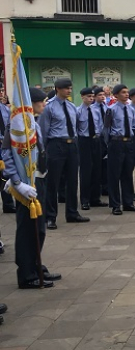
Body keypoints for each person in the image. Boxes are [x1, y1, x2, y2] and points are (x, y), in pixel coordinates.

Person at [2, 87, 62, 288]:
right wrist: (16, 182)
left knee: (39, 228)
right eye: (42, 101)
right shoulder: (17, 125)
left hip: (38, 180)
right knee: (28, 229)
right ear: (31, 103)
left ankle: (36, 267)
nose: (45, 104)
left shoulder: (32, 122)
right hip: (26, 184)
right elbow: (7, 154)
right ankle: (26, 275)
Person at [39, 78, 88, 230]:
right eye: (65, 88)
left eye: (69, 88)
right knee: (52, 183)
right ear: (57, 89)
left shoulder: (72, 106)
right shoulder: (49, 107)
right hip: (56, 144)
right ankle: (50, 217)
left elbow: (76, 126)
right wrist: (44, 151)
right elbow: (43, 130)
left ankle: (72, 213)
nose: (68, 91)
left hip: (71, 144)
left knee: (72, 181)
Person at [104, 84, 135, 215]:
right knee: (115, 174)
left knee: (128, 173)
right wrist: (108, 145)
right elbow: (106, 128)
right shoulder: (111, 109)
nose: (126, 94)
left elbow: (134, 125)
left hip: (129, 142)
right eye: (123, 92)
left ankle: (128, 202)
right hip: (116, 142)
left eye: (127, 92)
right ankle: (115, 204)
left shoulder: (131, 109)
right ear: (116, 95)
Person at [76, 87, 106, 212]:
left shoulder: (96, 111)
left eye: (92, 96)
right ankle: (85, 200)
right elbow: (76, 128)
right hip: (84, 141)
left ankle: (95, 198)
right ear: (82, 97)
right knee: (86, 171)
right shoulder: (77, 111)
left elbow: (99, 125)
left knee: (97, 169)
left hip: (96, 140)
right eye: (88, 96)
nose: (91, 99)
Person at [0, 87, 15, 214]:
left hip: (2, 147)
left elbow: (8, 127)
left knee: (4, 175)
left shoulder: (6, 109)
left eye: (2, 91)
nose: (1, 94)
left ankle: (8, 204)